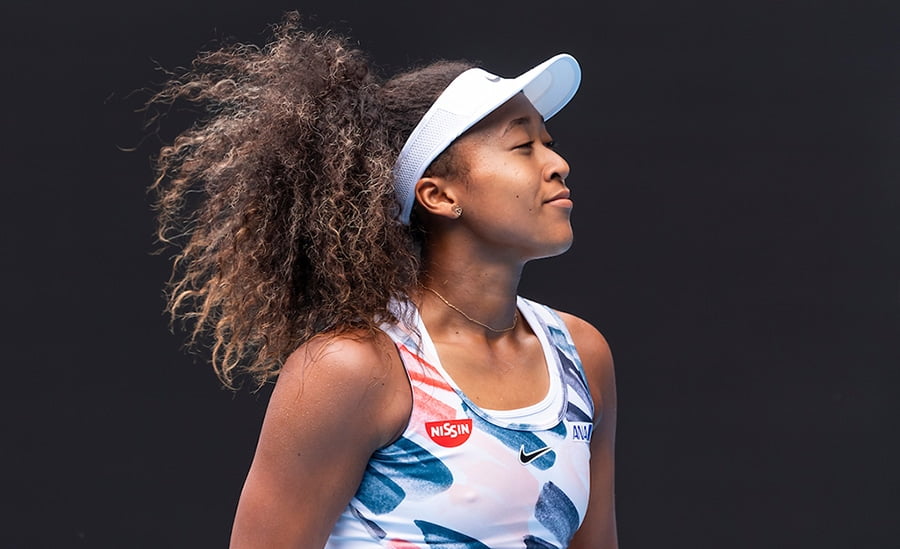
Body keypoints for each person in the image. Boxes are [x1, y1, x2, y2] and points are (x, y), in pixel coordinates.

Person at [149, 11, 617, 549]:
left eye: (549, 143)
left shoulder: (581, 355)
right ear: (439, 195)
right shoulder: (354, 369)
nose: (558, 164)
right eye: (522, 146)